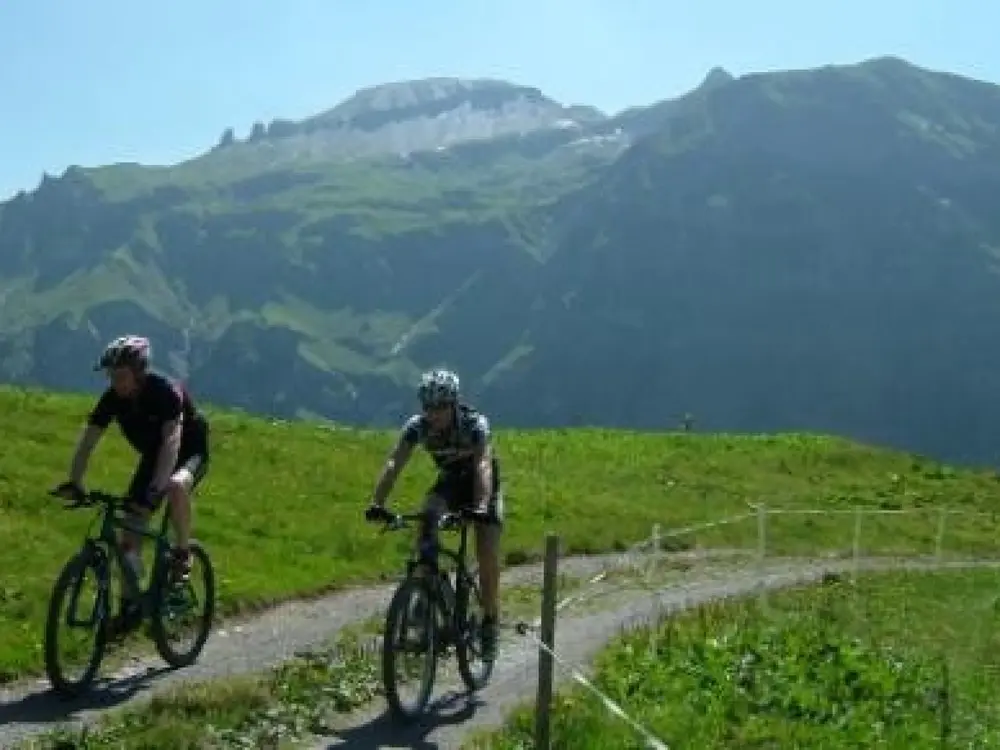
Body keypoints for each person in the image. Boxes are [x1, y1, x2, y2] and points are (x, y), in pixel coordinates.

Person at [52, 335, 210, 631]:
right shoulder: (112, 398)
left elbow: (172, 441)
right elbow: (88, 440)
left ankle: (182, 554)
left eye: (121, 376)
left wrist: (156, 488)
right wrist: (74, 481)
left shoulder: (165, 392)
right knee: (128, 536)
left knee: (176, 487)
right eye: (111, 376)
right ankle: (130, 610)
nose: (115, 382)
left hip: (189, 450)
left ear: (139, 373)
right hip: (154, 455)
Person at [365, 368, 504, 659]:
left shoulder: (475, 424)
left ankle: (490, 622)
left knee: (487, 550)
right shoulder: (418, 427)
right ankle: (424, 591)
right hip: (451, 482)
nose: (434, 414)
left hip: (483, 486)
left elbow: (483, 466)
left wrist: (480, 506)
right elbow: (394, 462)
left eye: (440, 407)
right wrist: (377, 502)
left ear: (454, 403)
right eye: (428, 407)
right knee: (427, 517)